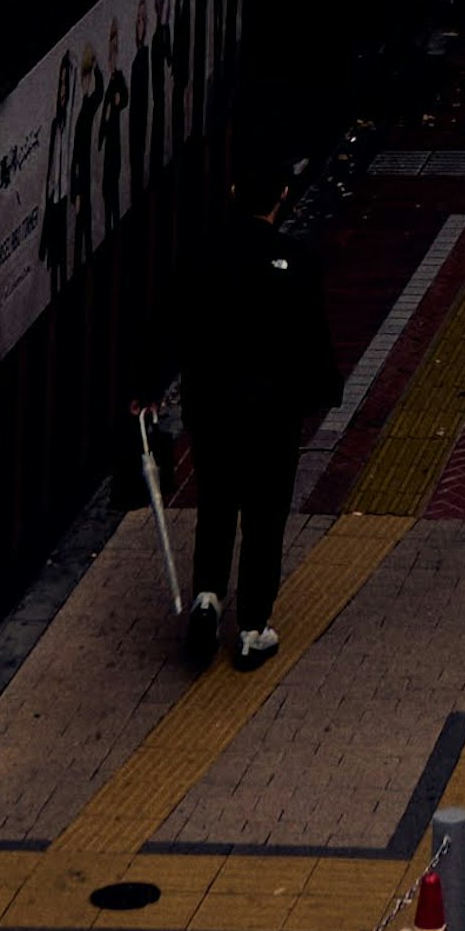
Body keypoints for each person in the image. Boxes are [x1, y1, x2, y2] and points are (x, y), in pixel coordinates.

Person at [168, 144, 336, 667]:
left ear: (234, 192)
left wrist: (147, 388)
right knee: (265, 520)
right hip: (273, 414)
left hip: (213, 407)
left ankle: (207, 597)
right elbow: (314, 343)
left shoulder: (202, 253)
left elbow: (173, 326)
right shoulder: (299, 263)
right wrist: (320, 394)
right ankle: (252, 629)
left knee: (216, 504)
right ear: (283, 197)